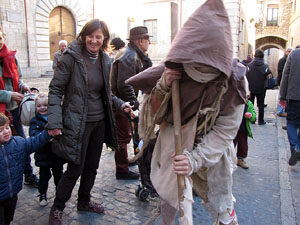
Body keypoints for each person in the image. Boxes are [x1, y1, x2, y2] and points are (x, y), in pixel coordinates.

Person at [126, 0, 246, 224]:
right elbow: (152, 116)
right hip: (174, 145)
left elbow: (226, 130)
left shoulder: (235, 83)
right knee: (171, 196)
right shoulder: (172, 71)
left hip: (212, 153)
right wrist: (163, 87)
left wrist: (196, 158)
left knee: (221, 203)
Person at [46, 19, 132, 225]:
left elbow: (106, 93)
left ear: (104, 40)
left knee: (92, 166)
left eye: (98, 37)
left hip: (100, 122)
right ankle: (57, 208)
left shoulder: (105, 59)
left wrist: (120, 104)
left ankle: (84, 200)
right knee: (75, 167)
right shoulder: (71, 58)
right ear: (84, 36)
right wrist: (54, 121)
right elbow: (55, 90)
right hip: (77, 122)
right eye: (90, 36)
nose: (94, 40)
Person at [110, 26, 152, 180]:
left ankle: (125, 162)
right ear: (140, 41)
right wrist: (133, 103)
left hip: (122, 101)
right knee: (123, 138)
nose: (149, 43)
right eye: (148, 40)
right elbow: (124, 84)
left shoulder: (133, 54)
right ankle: (122, 169)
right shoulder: (129, 56)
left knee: (125, 135)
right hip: (121, 102)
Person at [0, 30, 39, 188]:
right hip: (1, 111)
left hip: (14, 109)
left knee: (21, 142)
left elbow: (19, 77)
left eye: (0, 37)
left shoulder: (11, 56)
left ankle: (28, 174)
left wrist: (23, 85)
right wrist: (9, 95)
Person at [0, 112, 52, 225]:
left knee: (8, 218)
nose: (6, 132)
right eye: (0, 130)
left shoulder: (18, 143)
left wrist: (48, 133)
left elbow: (35, 142)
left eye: (7, 127)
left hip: (12, 194)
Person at [29, 93, 64, 207]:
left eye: (45, 105)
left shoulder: (54, 119)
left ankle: (60, 193)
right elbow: (33, 135)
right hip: (43, 154)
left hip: (56, 154)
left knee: (58, 175)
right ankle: (42, 193)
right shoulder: (34, 121)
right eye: (39, 106)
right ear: (35, 107)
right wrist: (44, 137)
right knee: (44, 177)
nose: (42, 108)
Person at [279, 46, 300, 166]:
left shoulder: (294, 54)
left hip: (294, 95)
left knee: (291, 122)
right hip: (294, 95)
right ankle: (298, 148)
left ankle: (295, 148)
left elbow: (285, 75)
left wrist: (282, 95)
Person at [246, 49, 272, 125]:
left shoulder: (249, 65)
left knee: (250, 104)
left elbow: (246, 74)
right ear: (262, 56)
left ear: (254, 56)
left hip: (251, 88)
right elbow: (269, 74)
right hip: (261, 88)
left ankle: (252, 119)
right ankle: (261, 120)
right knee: (261, 104)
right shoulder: (265, 66)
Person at [234, 98, 256, 169]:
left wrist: (251, 115)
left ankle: (240, 159)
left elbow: (254, 116)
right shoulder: (233, 101)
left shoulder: (249, 104)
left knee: (243, 145)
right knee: (230, 144)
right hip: (232, 128)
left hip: (243, 128)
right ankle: (228, 159)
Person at [276, 47, 292, 117]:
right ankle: (280, 111)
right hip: (282, 81)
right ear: (286, 52)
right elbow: (280, 71)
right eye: (288, 51)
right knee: (281, 95)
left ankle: (283, 110)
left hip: (287, 81)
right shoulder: (282, 60)